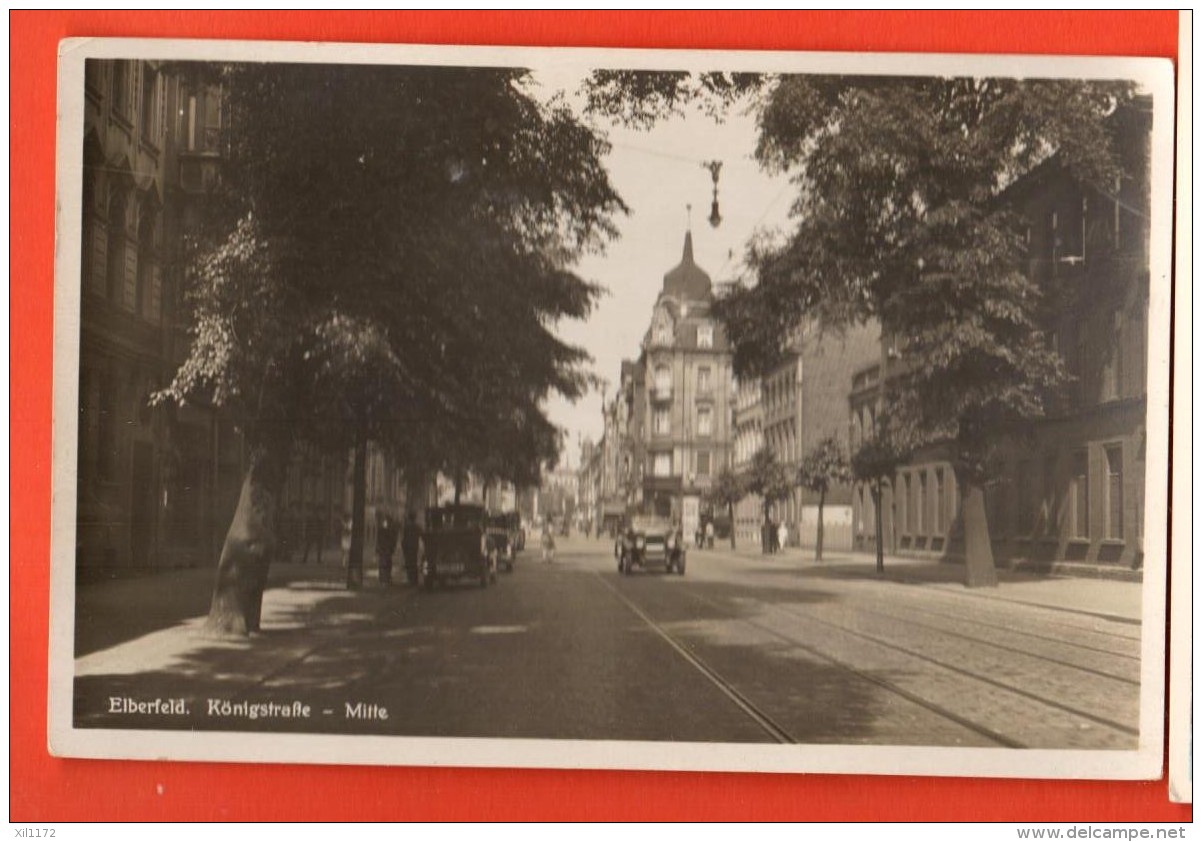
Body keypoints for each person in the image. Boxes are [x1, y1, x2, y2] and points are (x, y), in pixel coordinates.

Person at [376, 512, 398, 586]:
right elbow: (393, 540)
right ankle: (385, 578)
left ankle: (385, 578)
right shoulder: (387, 530)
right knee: (385, 563)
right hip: (385, 549)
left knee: (385, 563)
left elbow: (393, 540)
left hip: (385, 549)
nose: (385, 522)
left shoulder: (386, 530)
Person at [401, 511, 422, 586]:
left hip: (407, 547)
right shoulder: (417, 527)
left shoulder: (407, 527)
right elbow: (422, 535)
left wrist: (403, 546)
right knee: (413, 563)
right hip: (414, 547)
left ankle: (410, 579)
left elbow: (404, 538)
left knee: (409, 563)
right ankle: (414, 580)